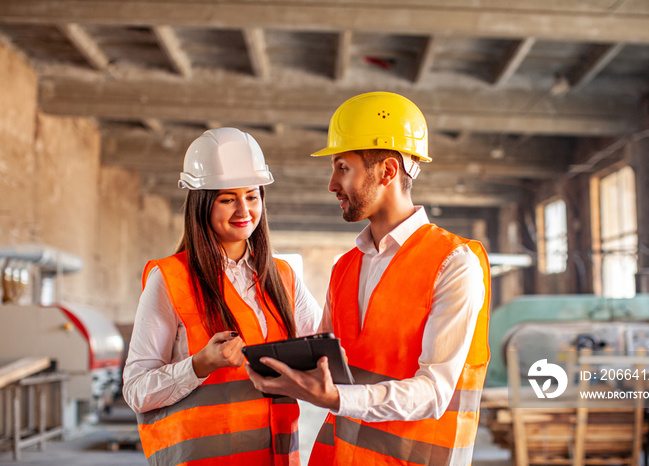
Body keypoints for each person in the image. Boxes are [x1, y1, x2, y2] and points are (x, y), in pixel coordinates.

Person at [246, 91, 491, 465]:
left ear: (388, 171)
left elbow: (434, 392)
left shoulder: (454, 263)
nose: (331, 184)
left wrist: (336, 398)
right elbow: (326, 363)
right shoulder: (345, 267)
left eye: (342, 167)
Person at [123, 127, 321, 466]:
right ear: (202, 204)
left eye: (252, 196)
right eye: (227, 198)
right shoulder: (170, 278)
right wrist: (200, 364)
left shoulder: (282, 277)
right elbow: (136, 390)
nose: (243, 209)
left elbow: (319, 349)